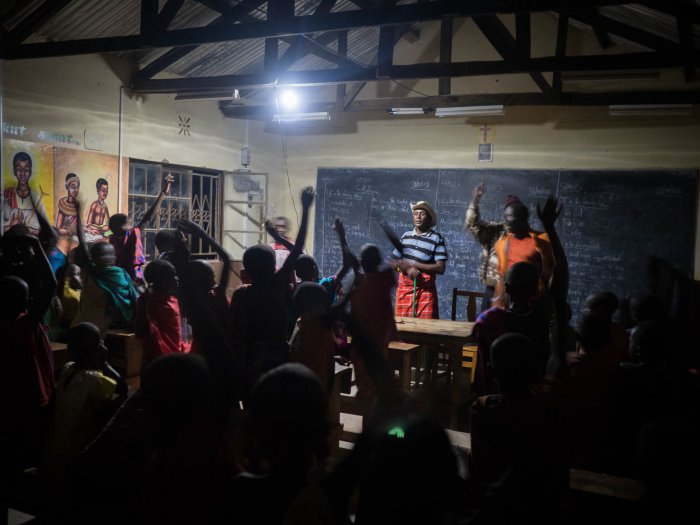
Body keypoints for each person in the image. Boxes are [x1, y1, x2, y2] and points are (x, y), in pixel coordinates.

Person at [230, 187, 314, 402]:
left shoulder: (241, 293)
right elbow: (297, 251)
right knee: (277, 398)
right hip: (276, 352)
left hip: (250, 355)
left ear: (246, 272)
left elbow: (234, 328)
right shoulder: (276, 284)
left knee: (253, 399)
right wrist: (305, 209)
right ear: (272, 267)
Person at [41, 323, 125, 514]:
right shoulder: (94, 380)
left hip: (53, 456)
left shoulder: (67, 370)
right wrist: (105, 363)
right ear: (98, 350)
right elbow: (123, 389)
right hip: (76, 459)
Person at [72, 200, 138, 334]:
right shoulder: (122, 274)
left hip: (89, 328)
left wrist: (77, 213)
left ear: (93, 258)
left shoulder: (90, 272)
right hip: (117, 328)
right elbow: (134, 301)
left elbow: (83, 241)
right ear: (113, 258)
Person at [387, 200, 447, 319]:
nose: (418, 217)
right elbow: (393, 262)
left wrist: (413, 264)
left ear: (429, 218)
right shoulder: (406, 236)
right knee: (404, 329)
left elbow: (440, 268)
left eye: (422, 214)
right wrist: (406, 268)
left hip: (426, 292)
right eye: (416, 213)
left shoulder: (436, 238)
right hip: (404, 290)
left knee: (426, 330)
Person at [108, 173, 174, 281]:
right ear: (119, 227)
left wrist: (164, 192)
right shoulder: (131, 235)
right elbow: (149, 217)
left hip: (118, 279)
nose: (131, 223)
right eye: (127, 222)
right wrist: (163, 194)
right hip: (133, 279)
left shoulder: (112, 241)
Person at [492, 197, 555, 307]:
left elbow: (549, 274)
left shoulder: (541, 240)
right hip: (506, 303)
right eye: (504, 218)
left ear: (522, 220)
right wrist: (497, 302)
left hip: (531, 303)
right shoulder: (502, 242)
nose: (505, 222)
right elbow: (501, 275)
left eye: (509, 218)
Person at [135, 259, 190, 365]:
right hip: (159, 359)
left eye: (175, 275)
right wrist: (144, 303)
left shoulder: (173, 299)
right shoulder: (148, 302)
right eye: (170, 277)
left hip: (177, 353)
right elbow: (142, 331)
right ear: (158, 281)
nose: (176, 279)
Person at [464, 183, 508, 311]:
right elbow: (473, 223)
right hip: (492, 289)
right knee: (486, 326)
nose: (510, 222)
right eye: (507, 217)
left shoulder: (529, 240)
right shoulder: (497, 232)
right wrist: (475, 201)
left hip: (515, 294)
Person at [2, 151, 48, 235]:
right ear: (14, 171)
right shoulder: (7, 194)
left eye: (26, 170)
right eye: (19, 169)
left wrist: (28, 229)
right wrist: (12, 226)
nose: (23, 174)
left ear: (30, 172)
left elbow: (45, 228)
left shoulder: (35, 197)